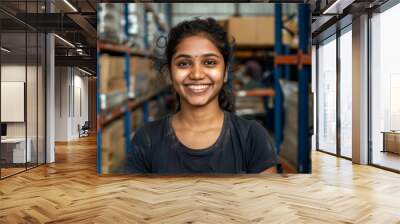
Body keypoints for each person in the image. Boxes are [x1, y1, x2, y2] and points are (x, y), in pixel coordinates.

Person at [125, 18, 278, 174]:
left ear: (225, 72)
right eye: (184, 63)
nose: (197, 75)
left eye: (210, 62)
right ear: (170, 74)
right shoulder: (147, 139)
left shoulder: (252, 138)